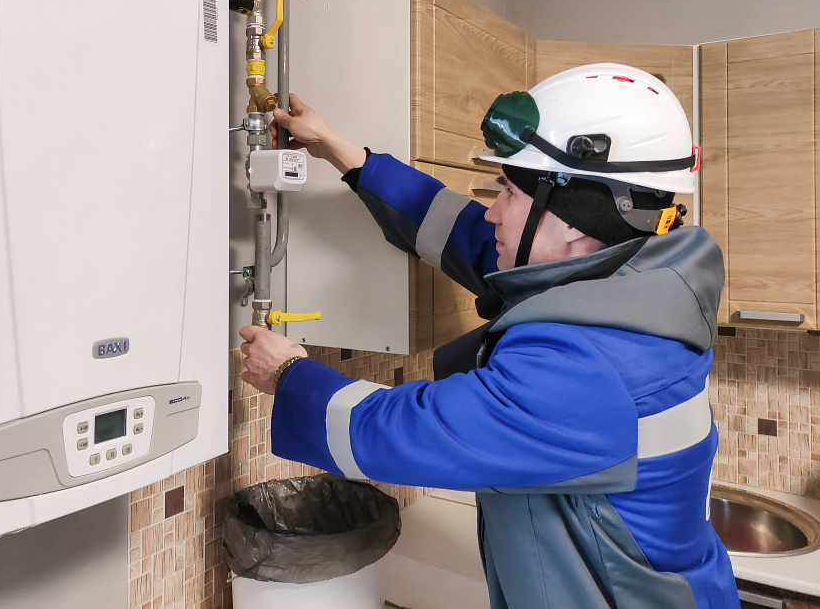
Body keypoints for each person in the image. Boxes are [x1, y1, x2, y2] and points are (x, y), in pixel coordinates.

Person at [238, 63, 740, 609]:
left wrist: (288, 375)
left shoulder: (591, 364)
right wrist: (342, 152)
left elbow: (402, 433)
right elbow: (466, 235)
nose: (492, 214)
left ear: (574, 221)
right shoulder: (632, 285)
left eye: (508, 192)